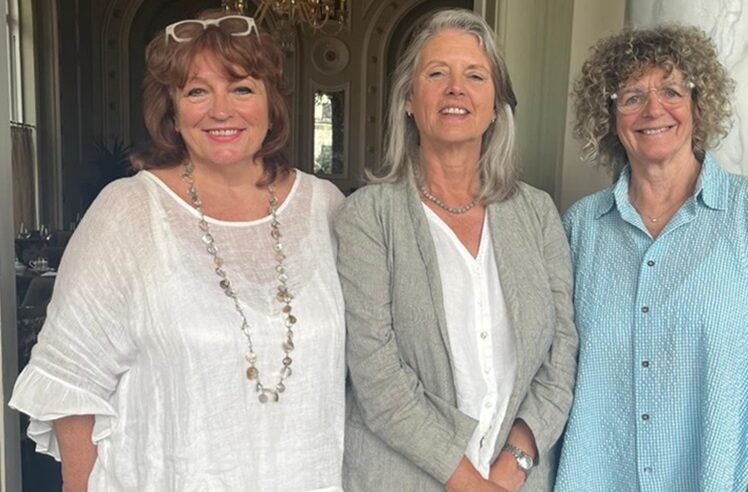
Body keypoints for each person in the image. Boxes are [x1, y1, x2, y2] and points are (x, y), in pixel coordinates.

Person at [9, 11, 345, 491]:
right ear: (172, 109)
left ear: (272, 103)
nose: (221, 110)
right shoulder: (128, 211)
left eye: (242, 88)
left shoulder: (325, 208)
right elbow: (71, 379)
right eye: (197, 91)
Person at [555, 26, 748, 492]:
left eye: (671, 91)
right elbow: (554, 362)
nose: (653, 110)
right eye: (631, 96)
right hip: (602, 477)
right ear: (609, 115)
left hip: (731, 480)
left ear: (698, 105)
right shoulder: (581, 228)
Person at [334, 9, 578, 492]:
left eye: (474, 75)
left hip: (518, 480)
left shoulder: (538, 213)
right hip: (399, 478)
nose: (455, 89)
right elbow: (377, 375)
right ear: (408, 99)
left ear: (495, 105)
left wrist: (514, 463)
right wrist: (470, 484)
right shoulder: (367, 217)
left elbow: (562, 352)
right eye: (436, 74)